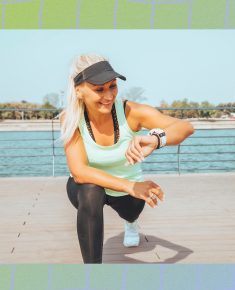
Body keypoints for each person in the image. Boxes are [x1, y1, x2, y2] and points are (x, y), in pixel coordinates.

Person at [59, 53, 194, 263]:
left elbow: (184, 127)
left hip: (129, 188)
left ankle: (131, 223)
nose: (109, 95)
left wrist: (156, 139)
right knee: (90, 191)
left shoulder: (129, 111)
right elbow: (79, 171)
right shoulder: (71, 118)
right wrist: (130, 186)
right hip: (93, 186)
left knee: (131, 213)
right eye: (99, 89)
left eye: (112, 86)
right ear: (79, 91)